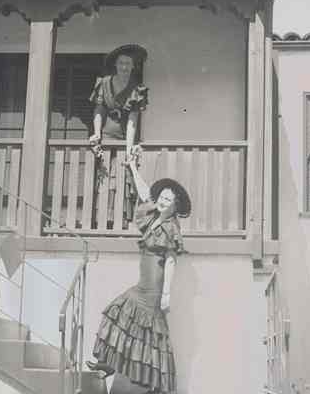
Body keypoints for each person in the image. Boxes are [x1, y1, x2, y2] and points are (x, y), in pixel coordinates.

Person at [86, 160, 191, 394]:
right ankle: (108, 363)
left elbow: (171, 260)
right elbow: (145, 193)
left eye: (168, 200)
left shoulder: (171, 227)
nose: (162, 201)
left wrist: (166, 294)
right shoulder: (153, 216)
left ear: (175, 206)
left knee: (148, 336)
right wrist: (133, 168)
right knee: (119, 313)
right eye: (162, 197)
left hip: (153, 289)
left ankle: (151, 384)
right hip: (142, 285)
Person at [89, 44, 148, 229]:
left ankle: (121, 222)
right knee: (105, 178)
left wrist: (128, 149)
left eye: (128, 63)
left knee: (124, 178)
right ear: (115, 64)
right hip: (106, 137)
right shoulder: (104, 83)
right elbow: (99, 111)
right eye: (121, 63)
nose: (124, 67)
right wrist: (96, 134)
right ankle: (101, 220)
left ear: (133, 66)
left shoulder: (137, 89)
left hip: (125, 139)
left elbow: (132, 121)